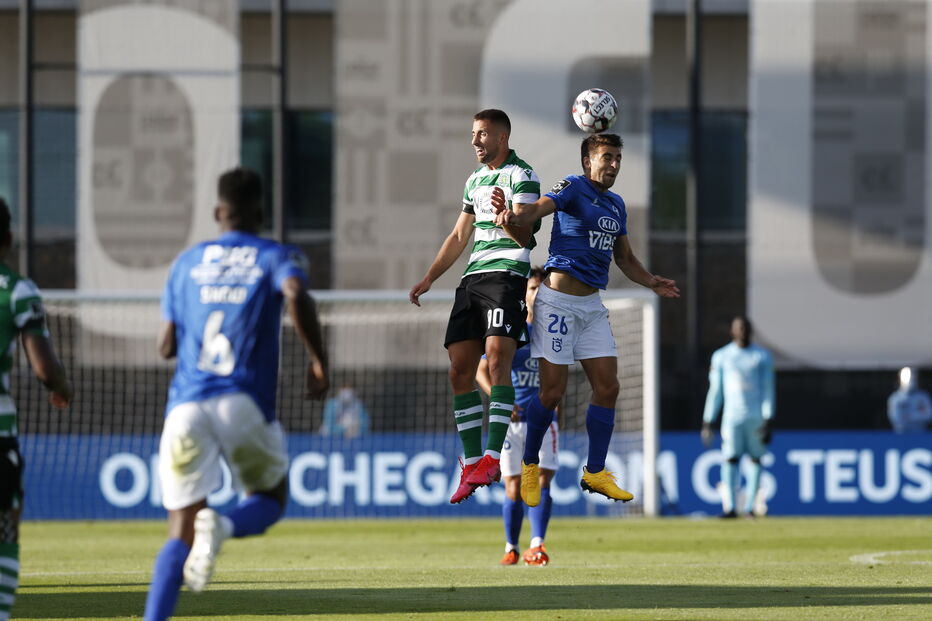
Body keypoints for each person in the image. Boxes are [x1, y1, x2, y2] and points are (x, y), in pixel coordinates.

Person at [144, 168, 329, 620]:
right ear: (261, 213)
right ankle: (224, 525)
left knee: (178, 531)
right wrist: (319, 360)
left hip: (186, 405)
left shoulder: (185, 263)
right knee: (270, 500)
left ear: (217, 212)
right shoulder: (276, 256)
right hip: (241, 399)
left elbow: (166, 346)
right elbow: (295, 292)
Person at [492, 133, 680, 507]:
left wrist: (651, 280)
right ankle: (530, 463)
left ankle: (595, 472)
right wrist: (513, 214)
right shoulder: (573, 187)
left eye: (618, 158)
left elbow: (624, 258)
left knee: (608, 388)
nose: (614, 164)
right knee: (552, 393)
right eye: (607, 157)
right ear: (587, 161)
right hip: (558, 303)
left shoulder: (616, 205)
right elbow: (538, 210)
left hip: (592, 306)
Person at [409, 109, 541, 504]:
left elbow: (527, 237)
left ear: (502, 137)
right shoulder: (475, 180)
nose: (475, 141)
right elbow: (458, 234)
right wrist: (430, 276)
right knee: (458, 370)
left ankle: (492, 456)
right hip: (472, 281)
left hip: (506, 276)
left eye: (482, 134)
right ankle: (470, 463)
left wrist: (507, 220)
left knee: (499, 359)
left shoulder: (523, 175)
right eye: (472, 134)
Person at [0, 197, 72, 621]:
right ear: (7, 238)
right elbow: (44, 369)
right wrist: (63, 387)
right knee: (5, 530)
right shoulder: (17, 290)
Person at [476, 267, 557, 566]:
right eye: (534, 288)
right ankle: (511, 547)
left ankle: (537, 545)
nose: (539, 294)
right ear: (524, 294)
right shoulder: (512, 330)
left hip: (545, 421)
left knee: (542, 480)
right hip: (514, 421)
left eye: (543, 288)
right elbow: (481, 370)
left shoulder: (554, 330)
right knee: (513, 485)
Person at [701, 316, 775, 518]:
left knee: (756, 459)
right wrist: (708, 420)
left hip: (756, 417)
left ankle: (751, 507)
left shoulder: (762, 356)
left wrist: (769, 418)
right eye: (739, 328)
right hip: (732, 417)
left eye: (746, 328)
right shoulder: (722, 356)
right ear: (732, 331)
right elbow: (716, 391)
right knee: (730, 458)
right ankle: (730, 507)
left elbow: (768, 389)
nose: (743, 331)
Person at [887, 367, 932, 434]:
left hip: (921, 434)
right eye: (906, 378)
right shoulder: (895, 398)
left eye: (912, 378)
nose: (910, 381)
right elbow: (895, 417)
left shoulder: (923, 397)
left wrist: (910, 416)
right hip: (901, 434)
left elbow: (928, 415)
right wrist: (918, 415)